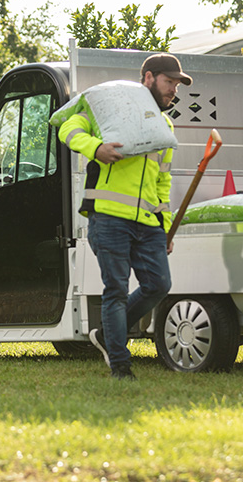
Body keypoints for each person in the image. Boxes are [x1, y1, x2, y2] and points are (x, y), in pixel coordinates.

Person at [57, 53, 192, 380]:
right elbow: (68, 127)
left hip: (148, 226)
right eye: (169, 82)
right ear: (148, 77)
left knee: (159, 284)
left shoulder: (165, 126)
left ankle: (107, 334)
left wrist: (165, 226)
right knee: (115, 289)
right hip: (109, 218)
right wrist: (95, 148)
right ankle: (120, 365)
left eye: (176, 84)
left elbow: (163, 179)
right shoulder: (109, 108)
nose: (174, 89)